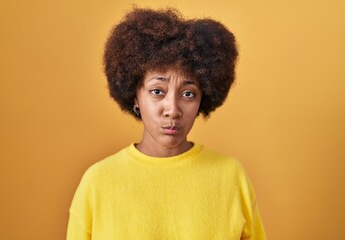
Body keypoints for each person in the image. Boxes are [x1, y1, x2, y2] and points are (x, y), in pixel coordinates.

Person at [67, 7, 266, 240]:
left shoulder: (232, 177)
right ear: (135, 96)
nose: (172, 109)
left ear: (204, 97)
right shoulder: (97, 182)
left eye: (188, 94)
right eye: (157, 91)